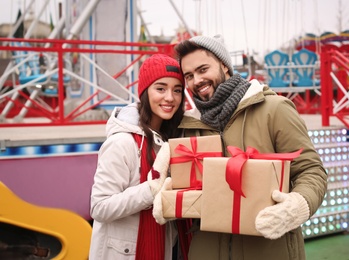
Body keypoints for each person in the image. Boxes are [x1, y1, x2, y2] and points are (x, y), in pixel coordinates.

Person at [173, 35, 327, 259]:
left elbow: (311, 170)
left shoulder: (274, 109)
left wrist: (296, 206)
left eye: (203, 69)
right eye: (189, 75)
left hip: (269, 249)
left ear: (224, 65)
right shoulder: (188, 125)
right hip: (206, 250)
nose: (196, 80)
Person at [89, 54, 186, 260]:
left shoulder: (172, 140)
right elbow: (99, 207)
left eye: (177, 90)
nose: (170, 97)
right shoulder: (122, 142)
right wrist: (151, 190)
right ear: (144, 92)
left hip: (164, 247)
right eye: (160, 88)